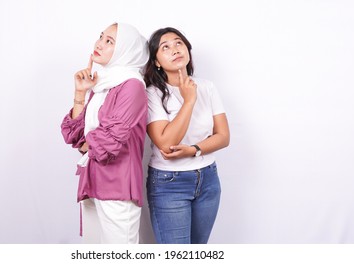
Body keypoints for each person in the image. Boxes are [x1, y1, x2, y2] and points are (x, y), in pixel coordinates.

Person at [61, 22, 149, 244]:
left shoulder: (132, 86)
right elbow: (76, 136)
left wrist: (86, 145)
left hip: (118, 184)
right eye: (101, 37)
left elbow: (109, 141)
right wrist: (80, 93)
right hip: (93, 180)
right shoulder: (102, 86)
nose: (99, 43)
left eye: (109, 41)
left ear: (125, 51)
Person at [143, 27, 230, 244]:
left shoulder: (207, 87)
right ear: (156, 62)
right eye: (165, 47)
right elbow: (165, 143)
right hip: (169, 183)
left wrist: (194, 150)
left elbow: (223, 136)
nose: (174, 49)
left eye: (178, 43)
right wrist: (189, 101)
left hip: (208, 178)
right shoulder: (151, 93)